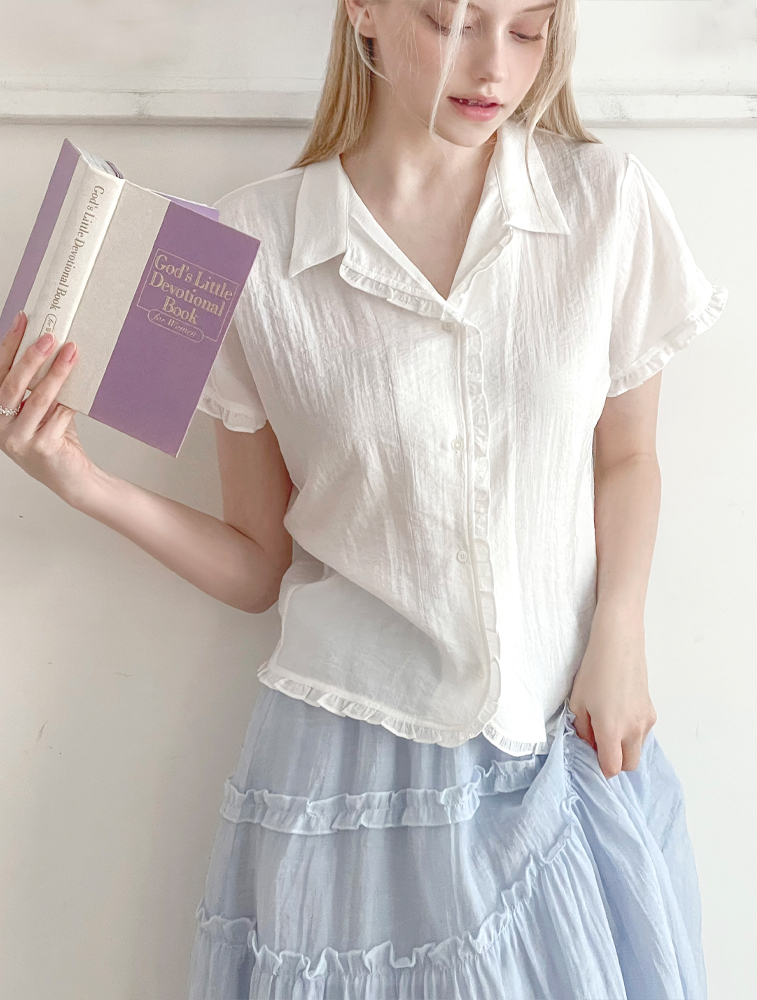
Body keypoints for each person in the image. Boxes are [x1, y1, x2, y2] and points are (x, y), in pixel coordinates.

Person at [0, 0, 728, 997]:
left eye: (527, 30)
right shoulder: (250, 247)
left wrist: (621, 637)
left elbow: (627, 455)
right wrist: (81, 483)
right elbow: (258, 562)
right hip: (347, 772)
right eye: (452, 21)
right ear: (366, 13)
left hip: (564, 733)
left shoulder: (604, 203)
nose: (494, 67)